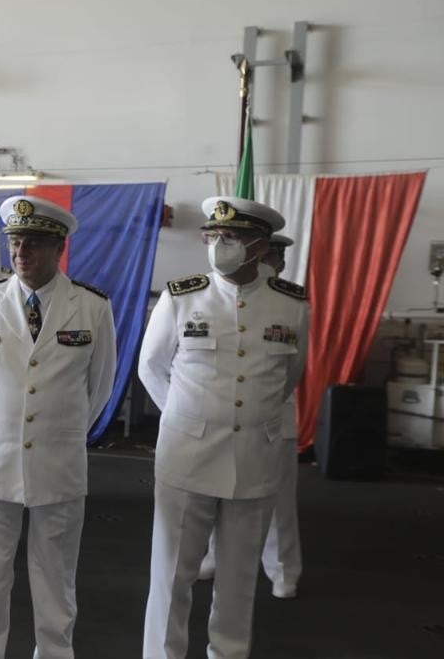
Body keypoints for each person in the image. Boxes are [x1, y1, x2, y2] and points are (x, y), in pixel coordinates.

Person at [139, 197, 309, 659]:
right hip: (186, 457)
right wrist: (187, 418)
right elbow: (151, 368)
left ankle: (228, 653)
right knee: (172, 575)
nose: (219, 245)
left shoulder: (290, 304)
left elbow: (289, 375)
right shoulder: (182, 295)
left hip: (253, 456)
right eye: (212, 236)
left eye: (230, 238)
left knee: (237, 579)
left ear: (259, 245)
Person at [0, 195, 116, 659]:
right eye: (15, 241)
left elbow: (100, 385)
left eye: (34, 243)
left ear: (59, 246)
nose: (20, 252)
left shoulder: (90, 307)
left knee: (56, 582)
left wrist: (62, 431)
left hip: (58, 461)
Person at [197, 233, 302, 600]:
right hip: (223, 417)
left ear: (278, 262)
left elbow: (294, 368)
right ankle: (214, 553)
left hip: (274, 416)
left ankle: (282, 567)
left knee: (278, 500)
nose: (260, 265)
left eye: (268, 259)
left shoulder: (290, 302)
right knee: (215, 490)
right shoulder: (222, 298)